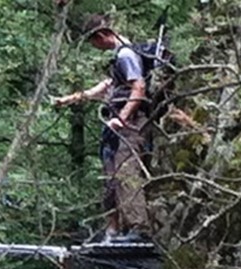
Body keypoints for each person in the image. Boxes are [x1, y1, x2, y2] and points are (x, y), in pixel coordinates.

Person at [54, 14, 202, 243]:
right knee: (111, 177)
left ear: (102, 35)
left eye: (93, 41)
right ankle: (114, 230)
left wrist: (122, 118)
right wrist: (71, 99)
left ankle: (139, 230)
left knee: (127, 172)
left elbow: (139, 88)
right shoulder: (119, 56)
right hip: (117, 125)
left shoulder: (126, 54)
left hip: (132, 124)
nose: (94, 47)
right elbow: (108, 86)